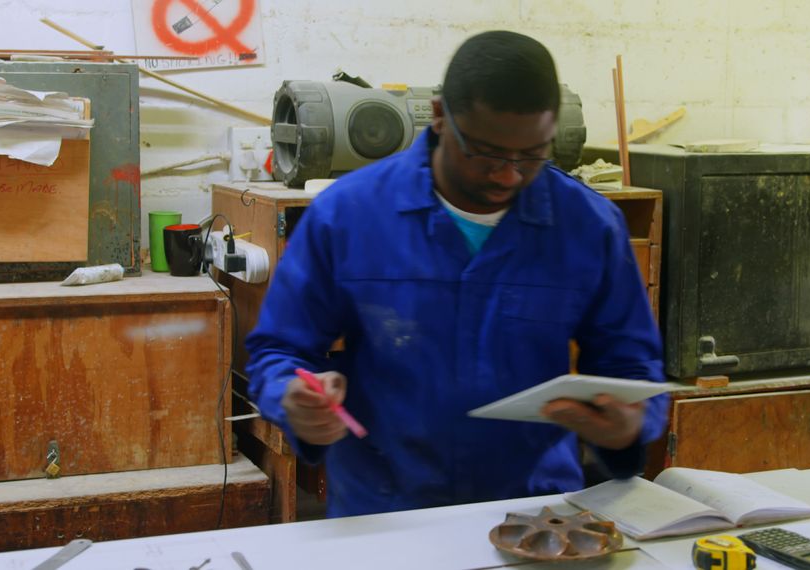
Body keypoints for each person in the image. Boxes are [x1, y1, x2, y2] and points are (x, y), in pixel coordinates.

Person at [245, 30, 668, 517]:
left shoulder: (589, 226)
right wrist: (293, 395)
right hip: (386, 511)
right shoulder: (350, 215)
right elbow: (279, 348)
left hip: (534, 512)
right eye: (486, 153)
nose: (508, 175)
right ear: (442, 116)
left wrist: (626, 426)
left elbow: (632, 368)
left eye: (532, 155)